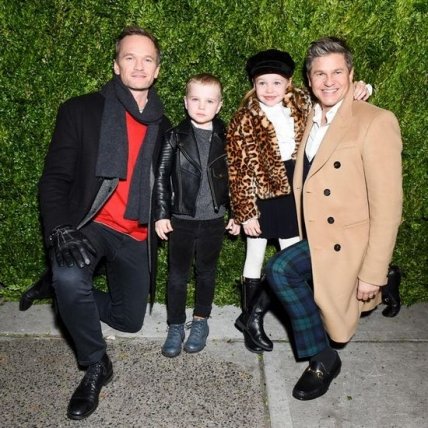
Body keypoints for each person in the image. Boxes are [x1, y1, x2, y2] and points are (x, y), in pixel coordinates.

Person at [37, 26, 170, 419]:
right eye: (130, 57)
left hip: (137, 233)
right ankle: (95, 364)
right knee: (69, 277)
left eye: (147, 59)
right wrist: (59, 229)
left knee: (129, 321)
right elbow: (54, 179)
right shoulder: (80, 111)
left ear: (157, 70)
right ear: (116, 65)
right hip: (91, 225)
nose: (139, 66)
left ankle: (62, 293)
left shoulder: (165, 126)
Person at [265, 37, 402, 401]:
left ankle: (322, 358)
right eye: (320, 74)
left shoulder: (376, 121)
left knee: (280, 270)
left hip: (348, 240)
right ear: (309, 81)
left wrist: (372, 272)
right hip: (317, 235)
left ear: (351, 74)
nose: (329, 81)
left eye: (338, 72)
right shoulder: (310, 115)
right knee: (283, 274)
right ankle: (324, 354)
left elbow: (388, 207)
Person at [226, 49, 371, 354]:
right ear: (253, 84)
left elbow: (334, 103)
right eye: (262, 83)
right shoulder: (243, 118)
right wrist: (245, 213)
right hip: (261, 198)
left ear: (289, 83)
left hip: (296, 191)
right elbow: (237, 169)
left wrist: (363, 88)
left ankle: (260, 316)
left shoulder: (303, 104)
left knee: (291, 260)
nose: (269, 89)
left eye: (276, 83)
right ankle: (251, 321)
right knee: (254, 257)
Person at [154, 73, 240, 358]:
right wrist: (161, 214)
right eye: (195, 99)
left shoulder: (227, 136)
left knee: (206, 273)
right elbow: (161, 177)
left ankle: (201, 321)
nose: (202, 106)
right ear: (185, 102)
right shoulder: (174, 136)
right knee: (177, 276)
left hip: (214, 219)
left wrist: (237, 213)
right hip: (181, 219)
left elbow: (236, 178)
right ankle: (175, 325)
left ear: (219, 105)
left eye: (209, 101)